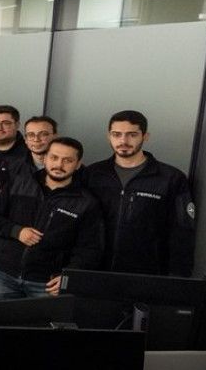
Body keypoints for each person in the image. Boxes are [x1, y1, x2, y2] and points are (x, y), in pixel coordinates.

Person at [0, 137, 103, 299]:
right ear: (45, 158)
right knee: (0, 316)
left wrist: (68, 276)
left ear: (77, 164)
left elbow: (90, 249)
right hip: (4, 275)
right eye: (54, 157)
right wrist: (16, 231)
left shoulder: (86, 203)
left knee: (44, 317)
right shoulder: (19, 183)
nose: (59, 165)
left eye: (67, 160)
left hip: (47, 283)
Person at [84, 110, 196, 277]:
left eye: (132, 135)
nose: (123, 141)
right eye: (117, 134)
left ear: (145, 136)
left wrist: (178, 278)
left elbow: (182, 233)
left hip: (147, 274)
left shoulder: (171, 178)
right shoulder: (92, 174)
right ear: (109, 136)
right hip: (93, 271)